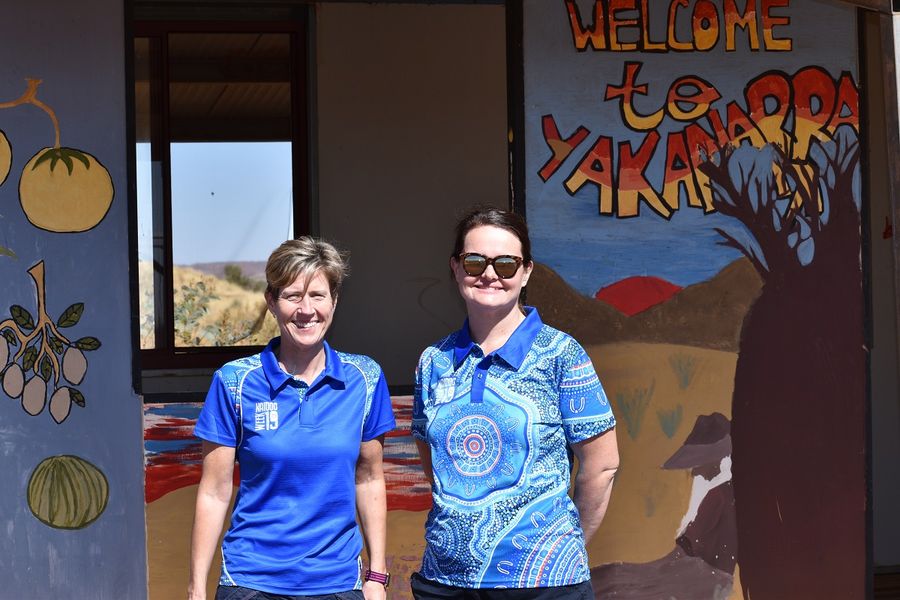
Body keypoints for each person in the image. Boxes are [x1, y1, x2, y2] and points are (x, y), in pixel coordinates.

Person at [411, 207, 619, 599]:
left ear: (526, 272)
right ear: (456, 268)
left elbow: (602, 466)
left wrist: (564, 543)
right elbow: (434, 461)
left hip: (543, 584)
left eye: (506, 264)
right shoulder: (433, 361)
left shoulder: (562, 354)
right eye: (475, 262)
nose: (490, 274)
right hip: (444, 582)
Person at [188, 237, 396, 600]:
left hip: (338, 584)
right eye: (292, 295)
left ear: (334, 301)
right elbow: (214, 491)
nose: (306, 310)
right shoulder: (234, 382)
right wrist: (196, 589)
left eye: (317, 295)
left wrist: (377, 576)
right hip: (251, 582)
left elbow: (369, 479)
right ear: (271, 302)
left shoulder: (365, 378)